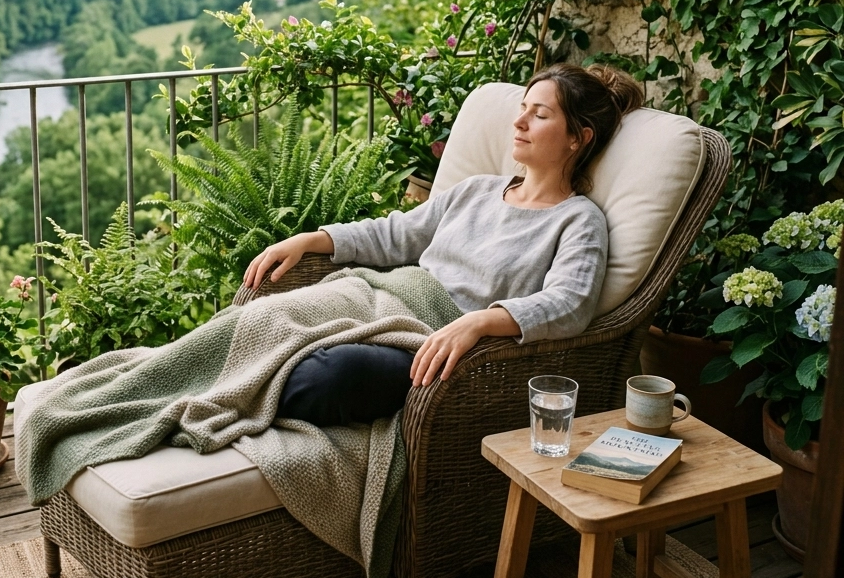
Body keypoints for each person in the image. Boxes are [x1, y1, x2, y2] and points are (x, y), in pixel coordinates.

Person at [242, 63, 644, 429]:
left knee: (332, 375)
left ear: (578, 137)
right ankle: (218, 393)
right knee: (264, 320)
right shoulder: (477, 190)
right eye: (522, 108)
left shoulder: (578, 220)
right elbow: (394, 233)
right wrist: (311, 239)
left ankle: (241, 399)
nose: (519, 122)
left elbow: (570, 303)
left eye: (539, 115)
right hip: (383, 299)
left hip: (429, 341)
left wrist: (480, 321)